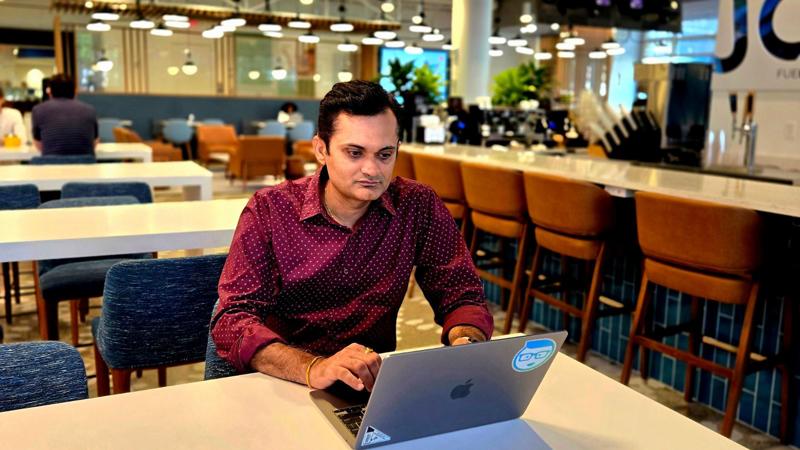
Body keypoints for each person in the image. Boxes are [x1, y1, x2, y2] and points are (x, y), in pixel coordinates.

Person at [212, 80, 493, 392]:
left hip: (370, 387)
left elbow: (461, 292)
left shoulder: (417, 204)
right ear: (321, 149)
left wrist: (467, 339)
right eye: (355, 153)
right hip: (284, 383)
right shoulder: (271, 209)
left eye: (385, 154)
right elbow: (232, 320)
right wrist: (313, 367)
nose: (372, 169)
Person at [32, 74, 98, 155]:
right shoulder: (90, 110)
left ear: (50, 92)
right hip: (85, 164)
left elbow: (39, 145)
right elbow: (94, 142)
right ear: (75, 91)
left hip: (51, 165)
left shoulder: (38, 110)